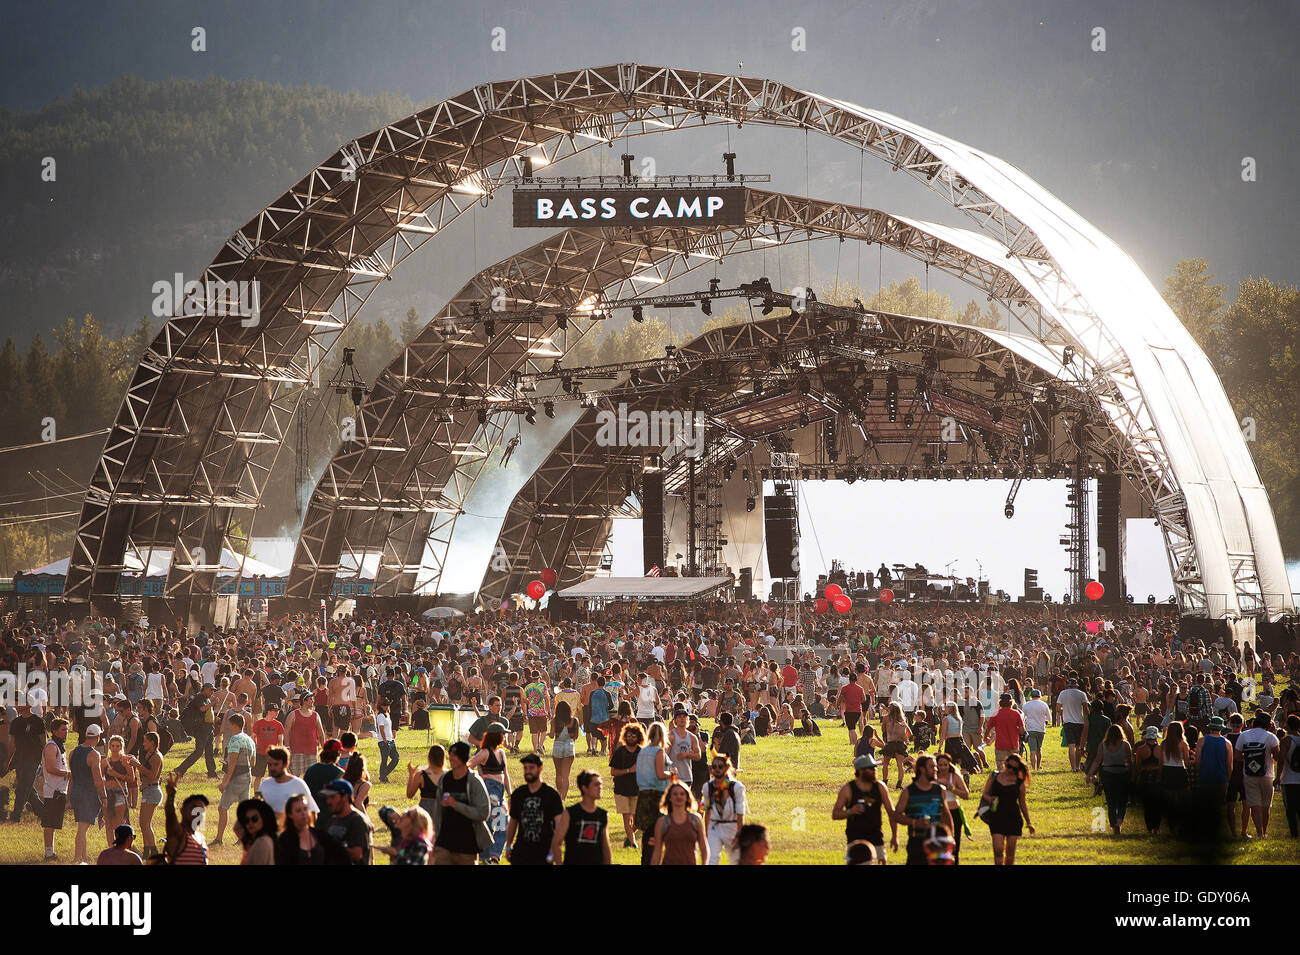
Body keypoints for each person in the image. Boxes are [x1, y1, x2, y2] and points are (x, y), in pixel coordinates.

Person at [432, 741, 492, 864]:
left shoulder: (474, 782)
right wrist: (435, 837)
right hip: (444, 844)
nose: (450, 757)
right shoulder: (445, 779)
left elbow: (483, 813)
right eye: (450, 754)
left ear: (463, 758)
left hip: (467, 845)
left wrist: (456, 805)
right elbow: (437, 811)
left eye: (454, 755)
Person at [832, 753, 897, 864]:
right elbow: (835, 814)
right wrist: (850, 811)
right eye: (871, 768)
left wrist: (895, 836)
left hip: (876, 838)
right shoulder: (848, 789)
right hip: (855, 840)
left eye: (875, 767)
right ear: (861, 771)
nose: (874, 770)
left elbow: (892, 813)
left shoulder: (880, 787)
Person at [894, 754, 954, 865]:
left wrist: (951, 837)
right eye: (932, 767)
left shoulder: (940, 790)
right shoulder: (909, 792)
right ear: (922, 769)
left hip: (936, 843)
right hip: (916, 844)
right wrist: (914, 822)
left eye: (936, 766)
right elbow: (896, 815)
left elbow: (945, 814)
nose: (936, 769)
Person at [505, 752, 564, 865]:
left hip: (544, 851)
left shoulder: (551, 795)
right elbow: (513, 822)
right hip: (521, 851)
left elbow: (559, 825)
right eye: (525, 768)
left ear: (540, 768)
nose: (528, 771)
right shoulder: (518, 794)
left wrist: (555, 848)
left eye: (531, 768)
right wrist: (508, 845)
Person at [980, 752, 1035, 864]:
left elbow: (1023, 803)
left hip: (1013, 819)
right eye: (1009, 766)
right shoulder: (994, 776)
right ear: (1005, 763)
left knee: (1010, 854)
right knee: (998, 849)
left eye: (1014, 768)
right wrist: (990, 799)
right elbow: (985, 793)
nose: (1010, 770)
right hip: (996, 818)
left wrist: (1029, 822)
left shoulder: (1019, 783)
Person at [550, 769, 612, 865]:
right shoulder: (570, 813)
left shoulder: (603, 815)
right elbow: (556, 843)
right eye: (596, 784)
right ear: (584, 788)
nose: (600, 787)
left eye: (601, 784)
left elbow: (605, 847)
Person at [467, 727, 510, 863]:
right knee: (490, 823)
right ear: (496, 736)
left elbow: (506, 774)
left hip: (500, 791)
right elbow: (469, 765)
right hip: (490, 790)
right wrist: (480, 777)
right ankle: (486, 856)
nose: (504, 736)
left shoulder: (501, 752)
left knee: (503, 824)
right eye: (502, 734)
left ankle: (494, 854)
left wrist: (510, 793)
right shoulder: (484, 752)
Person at [1235, 711, 1280, 839]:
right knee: (1266, 806)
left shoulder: (1244, 736)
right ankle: (1264, 833)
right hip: (1267, 774)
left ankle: (1259, 832)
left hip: (1249, 774)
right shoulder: (1271, 737)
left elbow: (1237, 756)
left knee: (1255, 805)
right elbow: (1277, 757)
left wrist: (1250, 759)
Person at [634, 721, 673, 865]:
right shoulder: (658, 751)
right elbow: (660, 774)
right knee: (656, 834)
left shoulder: (642, 751)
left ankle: (646, 860)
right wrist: (673, 773)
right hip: (656, 796)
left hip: (643, 794)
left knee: (647, 834)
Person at [215, 712, 256, 845]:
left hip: (236, 777)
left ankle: (219, 839)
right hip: (247, 776)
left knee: (223, 807)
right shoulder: (250, 740)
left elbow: (233, 761)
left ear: (233, 725)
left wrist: (225, 782)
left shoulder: (234, 739)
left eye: (229, 725)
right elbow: (253, 762)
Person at [69, 723, 106, 865]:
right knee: (82, 829)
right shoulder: (94, 754)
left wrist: (69, 795)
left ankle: (83, 858)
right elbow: (97, 779)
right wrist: (104, 797)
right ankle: (77, 859)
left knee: (82, 827)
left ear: (86, 735)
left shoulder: (73, 751)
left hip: (76, 792)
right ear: (98, 737)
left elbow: (72, 776)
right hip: (88, 794)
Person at [1087, 723, 1133, 834]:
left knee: (1111, 801)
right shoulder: (1125, 745)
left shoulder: (1103, 745)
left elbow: (1098, 760)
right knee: (1122, 800)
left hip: (1107, 774)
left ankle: (1113, 825)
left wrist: (1090, 773)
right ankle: (1119, 821)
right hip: (1123, 773)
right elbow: (1130, 761)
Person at [701, 754, 747, 865]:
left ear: (726, 768)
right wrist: (706, 833)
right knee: (711, 859)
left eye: (720, 766)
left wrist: (739, 834)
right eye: (714, 766)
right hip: (715, 827)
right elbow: (707, 811)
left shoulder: (736, 787)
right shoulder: (708, 787)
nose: (716, 769)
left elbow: (740, 814)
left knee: (736, 860)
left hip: (732, 827)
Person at [650, 781, 709, 865]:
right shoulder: (662, 822)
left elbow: (703, 848)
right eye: (675, 794)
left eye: (682, 794)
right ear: (670, 798)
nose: (679, 797)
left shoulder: (695, 820)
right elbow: (657, 853)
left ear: (687, 797)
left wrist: (705, 863)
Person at [257, 746, 319, 826]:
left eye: (276, 764)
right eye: (270, 764)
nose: (272, 768)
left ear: (285, 764)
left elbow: (312, 812)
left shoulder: (298, 784)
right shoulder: (265, 784)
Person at [320, 779, 373, 864]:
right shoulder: (333, 820)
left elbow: (357, 854)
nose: (328, 801)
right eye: (327, 798)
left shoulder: (357, 820)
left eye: (332, 797)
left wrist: (332, 848)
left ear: (345, 797)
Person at [39, 717, 71, 861]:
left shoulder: (60, 745)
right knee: (49, 824)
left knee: (53, 823)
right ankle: (48, 853)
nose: (66, 732)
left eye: (67, 729)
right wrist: (68, 774)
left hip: (59, 789)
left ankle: (51, 852)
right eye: (63, 730)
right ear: (54, 731)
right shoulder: (51, 746)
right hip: (52, 791)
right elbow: (50, 768)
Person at [608, 722, 642, 849]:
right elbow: (613, 772)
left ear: (638, 737)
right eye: (628, 736)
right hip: (621, 789)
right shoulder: (620, 752)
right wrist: (629, 770)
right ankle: (633, 843)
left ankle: (629, 836)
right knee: (626, 816)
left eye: (633, 736)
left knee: (637, 819)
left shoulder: (642, 752)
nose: (631, 738)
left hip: (637, 789)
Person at [163, 772, 209, 865]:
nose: (198, 812)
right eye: (194, 808)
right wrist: (171, 797)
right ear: (182, 811)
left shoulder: (201, 838)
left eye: (201, 810)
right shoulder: (179, 834)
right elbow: (170, 815)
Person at [932, 751, 970, 862]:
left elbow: (966, 795)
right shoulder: (933, 777)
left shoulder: (954, 776)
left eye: (945, 765)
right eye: (940, 765)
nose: (943, 767)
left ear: (949, 765)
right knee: (938, 844)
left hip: (954, 812)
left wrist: (952, 788)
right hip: (938, 813)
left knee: (954, 844)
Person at [284, 694, 326, 777]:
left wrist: (324, 749)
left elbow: (321, 734)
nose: (313, 701)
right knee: (295, 777)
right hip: (296, 751)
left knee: (312, 777)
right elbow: (286, 732)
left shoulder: (316, 715)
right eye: (310, 699)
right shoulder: (293, 714)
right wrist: (287, 747)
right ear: (304, 701)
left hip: (312, 751)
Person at [1057, 678, 1090, 772]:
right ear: (1076, 685)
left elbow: (1058, 708)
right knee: (1078, 746)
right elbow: (1086, 709)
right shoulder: (1082, 694)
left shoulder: (1063, 693)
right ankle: (1078, 767)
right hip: (1079, 722)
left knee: (1071, 746)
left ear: (1068, 685)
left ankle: (1073, 768)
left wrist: (1065, 710)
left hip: (1068, 722)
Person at [249, 702, 284, 792]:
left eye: (277, 711)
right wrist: (254, 746)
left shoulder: (278, 724)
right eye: (275, 711)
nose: (277, 713)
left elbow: (280, 741)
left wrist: (279, 753)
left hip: (273, 755)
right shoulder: (259, 723)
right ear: (269, 711)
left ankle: (270, 793)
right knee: (258, 776)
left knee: (272, 776)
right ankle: (257, 794)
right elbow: (252, 737)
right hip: (260, 753)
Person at [406, 745, 445, 821]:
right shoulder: (448, 775)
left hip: (424, 814)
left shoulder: (421, 775)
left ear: (429, 757)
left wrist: (411, 775)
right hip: (442, 812)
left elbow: (409, 794)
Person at [549, 699, 579, 801]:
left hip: (557, 746)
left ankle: (559, 794)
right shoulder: (575, 721)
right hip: (569, 746)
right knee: (566, 775)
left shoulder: (554, 721)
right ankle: (564, 798)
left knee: (558, 773)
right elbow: (576, 736)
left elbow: (552, 736)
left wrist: (548, 734)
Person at [234, 798, 278, 865]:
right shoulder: (254, 839)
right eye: (246, 820)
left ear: (263, 819)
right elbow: (237, 828)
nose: (250, 823)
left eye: (254, 819)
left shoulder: (262, 842)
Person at [1277, 713, 1300, 838]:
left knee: (1291, 808)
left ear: (1287, 726)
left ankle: (1294, 833)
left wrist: (1278, 777)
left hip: (1289, 779)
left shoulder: (1286, 741)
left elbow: (1281, 760)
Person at [1021, 688, 1051, 772]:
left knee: (1032, 751)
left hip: (1030, 729)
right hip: (1041, 729)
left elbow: (1022, 718)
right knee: (1039, 749)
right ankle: (1038, 766)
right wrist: (1043, 718)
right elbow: (1049, 718)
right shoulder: (1044, 705)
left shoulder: (1026, 705)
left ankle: (1033, 768)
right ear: (1040, 696)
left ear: (1031, 696)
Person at [375, 701, 399, 782]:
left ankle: (383, 775)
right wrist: (385, 739)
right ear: (381, 706)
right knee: (384, 760)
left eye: (387, 705)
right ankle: (383, 778)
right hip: (384, 741)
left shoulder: (388, 715)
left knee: (396, 758)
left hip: (391, 740)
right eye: (384, 705)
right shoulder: (380, 716)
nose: (386, 706)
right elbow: (381, 728)